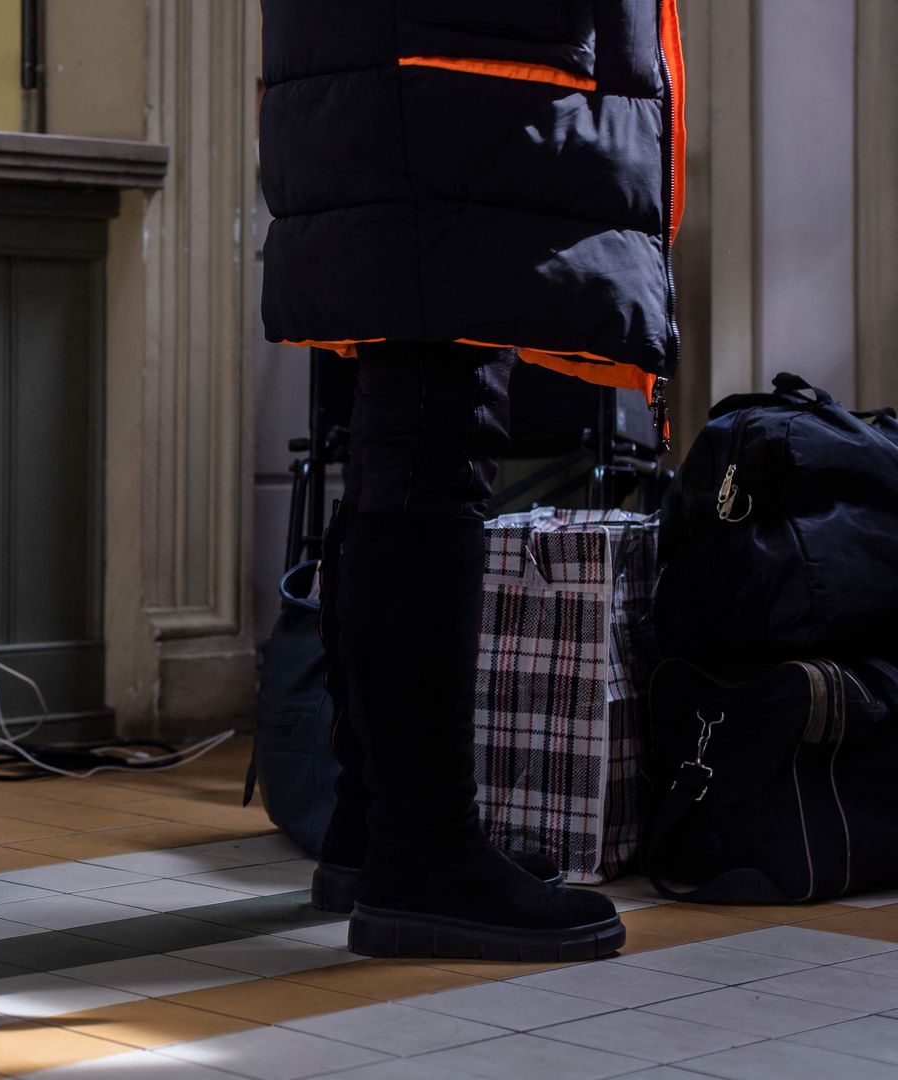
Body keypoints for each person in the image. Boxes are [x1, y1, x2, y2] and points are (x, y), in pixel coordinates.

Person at [258, 2, 686, 960]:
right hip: (459, 56)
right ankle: (424, 856)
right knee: (434, 433)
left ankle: (378, 831)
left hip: (417, 58)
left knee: (402, 433)